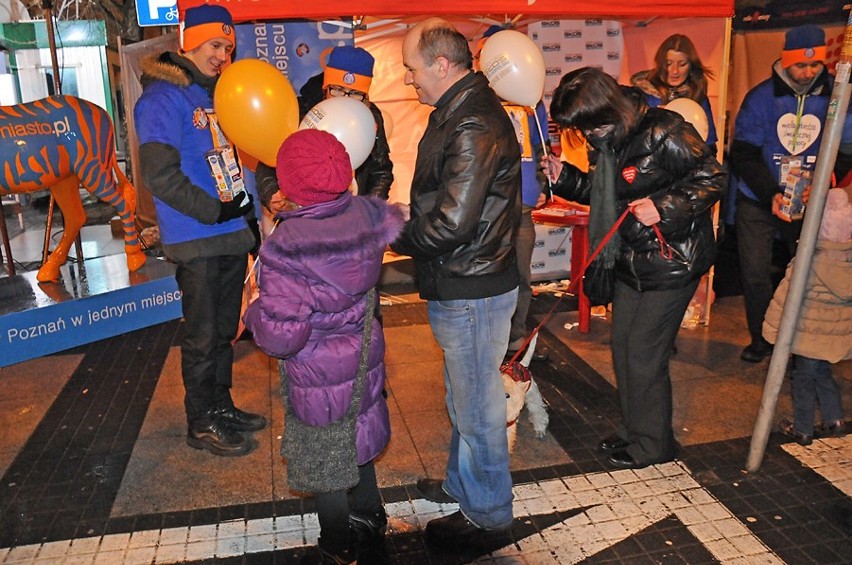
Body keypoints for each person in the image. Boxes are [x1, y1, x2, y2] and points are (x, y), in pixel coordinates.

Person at [542, 67, 725, 469]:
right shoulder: (608, 138)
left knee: (644, 354)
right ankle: (635, 432)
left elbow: (714, 176)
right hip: (629, 257)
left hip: (672, 258)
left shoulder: (662, 130)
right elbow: (605, 193)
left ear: (604, 108)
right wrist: (565, 177)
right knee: (624, 350)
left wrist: (663, 207)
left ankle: (653, 445)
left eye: (589, 126)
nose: (587, 135)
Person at [243, 129, 404, 564]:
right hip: (362, 361)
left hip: (317, 374)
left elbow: (283, 337)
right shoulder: (368, 219)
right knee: (359, 431)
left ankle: (336, 546)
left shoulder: (287, 249)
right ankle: (370, 518)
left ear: (291, 186)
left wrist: (254, 309)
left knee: (325, 463)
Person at [390, 17, 521, 546]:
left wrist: (392, 228)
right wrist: (410, 211)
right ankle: (463, 486)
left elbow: (450, 223)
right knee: (464, 396)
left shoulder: (472, 123)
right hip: (468, 278)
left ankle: (488, 516)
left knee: (478, 405)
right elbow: (447, 202)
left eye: (412, 69)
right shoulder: (458, 111)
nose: (408, 80)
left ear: (442, 65)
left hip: (473, 284)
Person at [134, 4, 266, 457]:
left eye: (228, 47)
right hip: (197, 235)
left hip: (230, 231)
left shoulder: (220, 94)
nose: (222, 55)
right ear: (187, 41)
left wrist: (247, 215)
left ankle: (220, 405)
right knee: (203, 334)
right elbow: (160, 176)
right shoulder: (161, 97)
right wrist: (215, 210)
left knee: (226, 330)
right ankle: (201, 420)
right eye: (215, 45)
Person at [730, 24, 852, 363]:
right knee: (754, 273)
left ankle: (801, 341)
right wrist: (770, 191)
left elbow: (847, 148)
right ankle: (763, 338)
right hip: (758, 199)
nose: (809, 72)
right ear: (785, 62)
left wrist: (824, 181)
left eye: (815, 65)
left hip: (808, 201)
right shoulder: (760, 97)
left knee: (807, 272)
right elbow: (742, 153)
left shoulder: (837, 97)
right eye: (801, 65)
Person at [475, 25, 549, 358]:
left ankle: (515, 339)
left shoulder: (529, 97)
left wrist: (546, 182)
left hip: (522, 204)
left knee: (521, 274)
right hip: (487, 204)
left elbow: (542, 142)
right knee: (488, 274)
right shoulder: (477, 97)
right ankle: (487, 340)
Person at [256, 45, 393, 213]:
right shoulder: (300, 109)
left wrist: (369, 211)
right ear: (325, 87)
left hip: (353, 216)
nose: (345, 98)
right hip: (302, 215)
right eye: (337, 90)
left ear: (366, 97)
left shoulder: (370, 116)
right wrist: (271, 193)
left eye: (355, 93)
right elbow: (268, 160)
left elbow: (380, 171)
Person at [763, 187, 851, 445]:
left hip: (807, 333)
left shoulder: (807, 261)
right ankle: (834, 418)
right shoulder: (847, 260)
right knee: (822, 371)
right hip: (832, 336)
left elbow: (785, 298)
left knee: (802, 376)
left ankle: (802, 428)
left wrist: (772, 329)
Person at [630, 34, 718, 154]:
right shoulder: (642, 94)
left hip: (687, 164)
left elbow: (709, 146)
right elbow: (630, 139)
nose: (674, 71)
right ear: (660, 64)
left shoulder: (698, 97)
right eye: (668, 64)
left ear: (691, 66)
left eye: (682, 64)